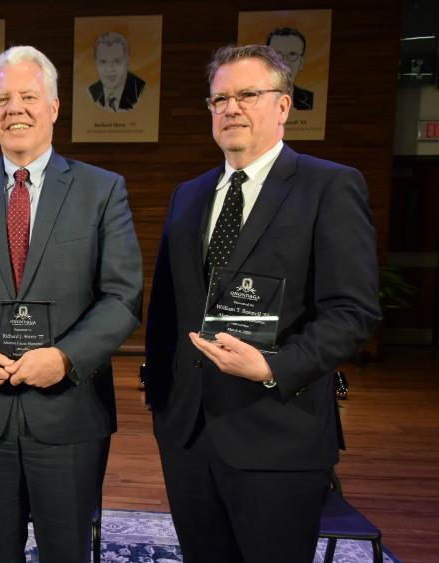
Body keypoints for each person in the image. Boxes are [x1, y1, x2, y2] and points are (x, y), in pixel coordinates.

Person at [143, 44, 380, 563]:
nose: (232, 108)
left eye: (248, 94)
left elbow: (352, 311)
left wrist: (273, 366)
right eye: (220, 99)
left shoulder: (328, 186)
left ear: (283, 105)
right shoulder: (189, 194)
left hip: (278, 430)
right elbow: (165, 311)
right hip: (188, 434)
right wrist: (162, 402)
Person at [0, 45, 142, 563]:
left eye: (28, 97)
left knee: (67, 552)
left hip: (68, 413)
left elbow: (123, 295)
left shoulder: (102, 190)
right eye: (3, 99)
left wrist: (65, 358)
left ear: (54, 107)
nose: (14, 108)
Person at [88, 32, 145, 111]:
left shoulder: (141, 90)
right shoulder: (91, 92)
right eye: (103, 62)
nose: (110, 69)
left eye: (117, 61)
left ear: (127, 60)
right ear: (96, 63)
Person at [266, 27, 314, 110]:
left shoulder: (310, 99)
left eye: (292, 54)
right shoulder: (252, 99)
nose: (284, 63)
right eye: (278, 55)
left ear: (301, 63)